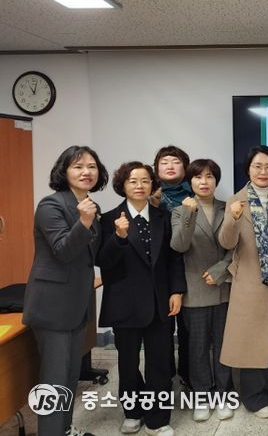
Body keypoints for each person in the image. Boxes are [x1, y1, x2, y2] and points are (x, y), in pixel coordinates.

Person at [23, 146, 108, 436]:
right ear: (64, 171)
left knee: (70, 376)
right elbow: (63, 251)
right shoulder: (51, 205)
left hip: (76, 304)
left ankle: (66, 429)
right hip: (53, 307)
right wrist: (84, 222)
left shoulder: (88, 205)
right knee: (54, 380)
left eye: (92, 166)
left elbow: (92, 255)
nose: (86, 172)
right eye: (78, 166)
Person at [98, 162, 186, 436]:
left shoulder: (163, 216)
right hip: (125, 303)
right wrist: (119, 237)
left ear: (153, 185)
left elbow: (174, 259)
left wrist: (176, 291)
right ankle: (133, 412)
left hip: (160, 302)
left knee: (160, 362)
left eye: (145, 181)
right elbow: (103, 262)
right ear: (122, 185)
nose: (139, 186)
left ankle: (158, 419)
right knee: (127, 363)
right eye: (133, 181)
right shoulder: (109, 219)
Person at [218, 145, 268, 418]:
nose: (263, 171)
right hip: (250, 280)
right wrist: (233, 219)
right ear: (248, 169)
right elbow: (226, 243)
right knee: (252, 339)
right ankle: (255, 396)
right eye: (257, 166)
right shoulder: (236, 201)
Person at [170, 159, 233, 422]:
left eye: (209, 176)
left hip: (223, 287)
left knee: (223, 346)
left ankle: (223, 394)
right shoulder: (179, 211)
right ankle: (201, 395)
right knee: (197, 348)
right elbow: (179, 246)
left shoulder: (228, 207)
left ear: (216, 180)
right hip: (194, 289)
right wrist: (189, 214)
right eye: (198, 177)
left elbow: (238, 247)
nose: (204, 182)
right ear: (190, 181)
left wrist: (221, 269)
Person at [151, 145, 192, 388]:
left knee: (189, 328)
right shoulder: (148, 195)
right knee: (162, 327)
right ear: (156, 168)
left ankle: (188, 372)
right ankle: (164, 375)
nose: (170, 166)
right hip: (161, 271)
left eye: (175, 161)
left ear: (185, 167)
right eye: (164, 162)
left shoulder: (195, 192)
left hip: (191, 267)